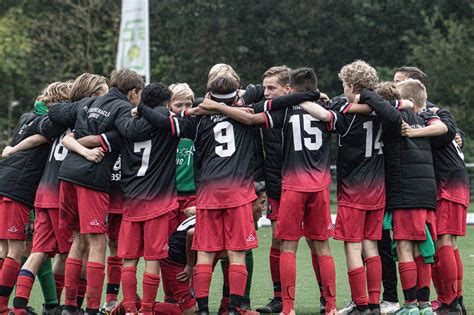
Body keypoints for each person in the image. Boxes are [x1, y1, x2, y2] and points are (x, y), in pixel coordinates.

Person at [198, 68, 336, 315]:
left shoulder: (278, 111)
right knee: (280, 241)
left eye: (271, 88)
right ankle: (280, 298)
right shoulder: (314, 107)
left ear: (287, 89)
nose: (266, 93)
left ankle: (310, 301)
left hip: (292, 184)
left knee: (300, 245)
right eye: (264, 88)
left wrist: (214, 107)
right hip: (279, 183)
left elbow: (248, 118)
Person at [47, 69, 144, 315]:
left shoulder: (89, 102)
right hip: (92, 178)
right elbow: (130, 132)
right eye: (139, 95)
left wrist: (79, 136)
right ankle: (91, 307)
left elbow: (55, 111)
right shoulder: (123, 108)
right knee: (97, 243)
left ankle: (69, 306)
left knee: (78, 241)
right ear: (132, 92)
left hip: (67, 174)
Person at [359, 79, 447, 315]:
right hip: (426, 194)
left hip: (406, 193)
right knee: (422, 250)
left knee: (405, 249)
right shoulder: (425, 119)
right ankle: (424, 305)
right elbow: (444, 128)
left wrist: (366, 94)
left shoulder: (396, 119)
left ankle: (409, 305)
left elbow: (382, 106)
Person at [0, 82, 71, 314]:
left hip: (9, 181)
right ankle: (4, 307)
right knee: (16, 250)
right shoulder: (47, 121)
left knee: (23, 249)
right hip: (19, 188)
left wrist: (11, 149)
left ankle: (50, 304)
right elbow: (40, 137)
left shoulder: (27, 116)